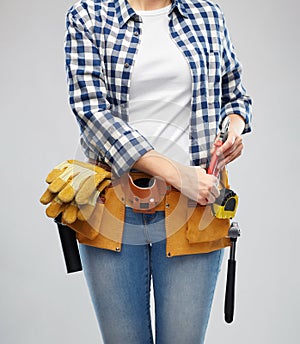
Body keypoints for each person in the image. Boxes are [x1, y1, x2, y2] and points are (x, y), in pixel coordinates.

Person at [64, 0, 252, 343]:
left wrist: (233, 129)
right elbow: (91, 114)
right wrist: (179, 175)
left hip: (195, 210)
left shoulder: (206, 13)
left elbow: (235, 97)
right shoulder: (89, 15)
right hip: (114, 207)